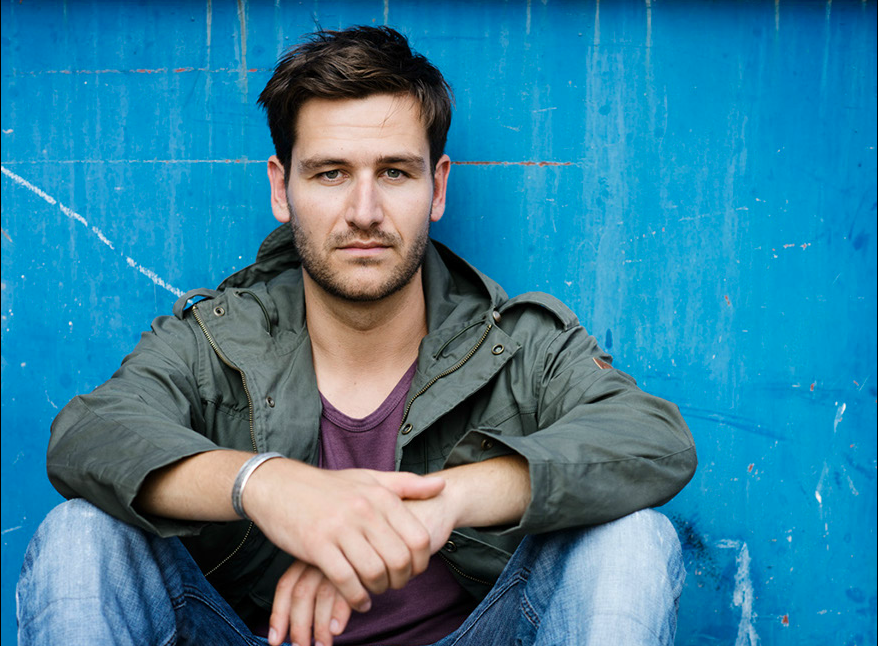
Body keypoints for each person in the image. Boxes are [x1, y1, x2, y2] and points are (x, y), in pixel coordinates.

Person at [17, 25, 697, 646]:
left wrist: (440, 505)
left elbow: (654, 440)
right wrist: (268, 486)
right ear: (282, 189)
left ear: (437, 187)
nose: (364, 211)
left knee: (630, 539)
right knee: (82, 536)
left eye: (394, 172)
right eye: (331, 173)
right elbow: (88, 437)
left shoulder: (518, 344)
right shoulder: (215, 341)